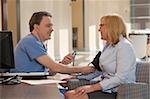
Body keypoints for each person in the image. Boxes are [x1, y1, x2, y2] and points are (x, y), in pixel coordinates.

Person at [64, 14, 136, 99]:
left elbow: (121, 78)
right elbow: (99, 70)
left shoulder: (124, 46)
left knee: (73, 97)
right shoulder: (108, 46)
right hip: (106, 88)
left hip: (119, 91)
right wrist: (76, 77)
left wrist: (92, 88)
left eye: (101, 25)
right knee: (68, 94)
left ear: (112, 27)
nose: (99, 29)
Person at [11, 11, 94, 75]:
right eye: (48, 26)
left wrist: (62, 63)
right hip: (25, 86)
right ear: (36, 27)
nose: (52, 29)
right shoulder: (30, 41)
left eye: (52, 26)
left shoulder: (39, 43)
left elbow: (50, 70)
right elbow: (54, 67)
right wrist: (81, 69)